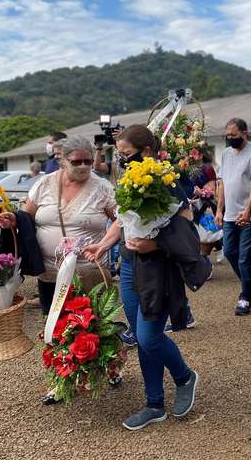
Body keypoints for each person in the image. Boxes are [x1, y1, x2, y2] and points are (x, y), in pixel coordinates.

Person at [84, 125, 205, 430]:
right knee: (140, 336)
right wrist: (104, 243)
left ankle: (184, 377)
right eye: (120, 155)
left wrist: (156, 244)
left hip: (157, 269)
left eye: (126, 155)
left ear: (147, 151)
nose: (122, 161)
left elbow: (186, 231)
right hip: (128, 265)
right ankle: (154, 404)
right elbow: (124, 221)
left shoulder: (168, 182)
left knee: (150, 336)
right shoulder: (129, 179)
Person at [0, 135, 114, 317]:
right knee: (55, 330)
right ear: (63, 161)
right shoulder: (44, 184)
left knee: (90, 331)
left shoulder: (103, 187)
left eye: (88, 161)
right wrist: (13, 219)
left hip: (88, 272)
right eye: (77, 162)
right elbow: (26, 216)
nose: (84, 166)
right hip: (50, 273)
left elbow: (122, 221)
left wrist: (104, 245)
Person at [215, 118, 251, 316]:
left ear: (244, 132)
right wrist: (219, 209)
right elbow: (224, 183)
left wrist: (249, 209)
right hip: (229, 214)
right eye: (228, 135)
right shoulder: (226, 154)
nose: (230, 138)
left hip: (248, 214)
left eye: (234, 135)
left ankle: (245, 295)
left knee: (244, 258)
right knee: (229, 252)